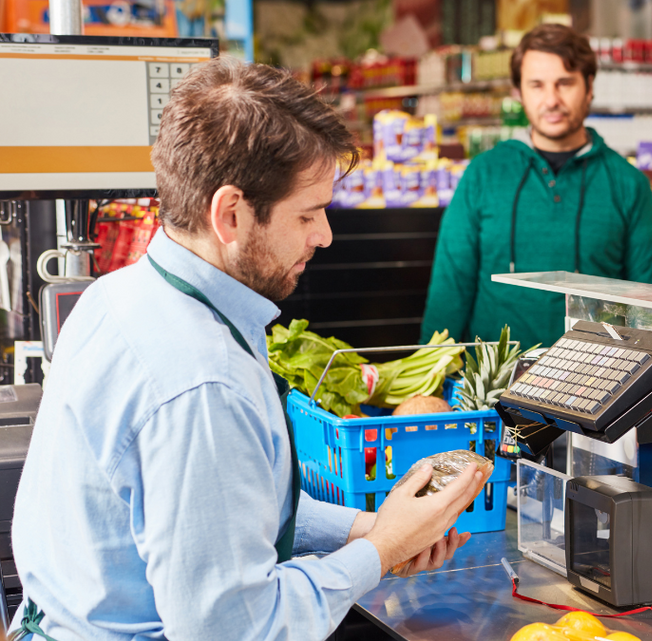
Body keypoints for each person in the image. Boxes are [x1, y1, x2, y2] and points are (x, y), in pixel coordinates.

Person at [9, 58, 484, 641]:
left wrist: (369, 526)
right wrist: (381, 552)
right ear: (230, 214)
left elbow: (227, 510)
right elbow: (230, 627)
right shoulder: (201, 381)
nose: (325, 236)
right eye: (308, 214)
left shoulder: (121, 293)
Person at [419, 24, 652, 350]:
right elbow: (449, 292)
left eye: (565, 84)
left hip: (597, 387)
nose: (551, 100)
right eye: (536, 85)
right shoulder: (482, 175)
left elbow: (648, 312)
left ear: (589, 86)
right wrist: (427, 385)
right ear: (518, 92)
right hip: (493, 390)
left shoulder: (629, 185)